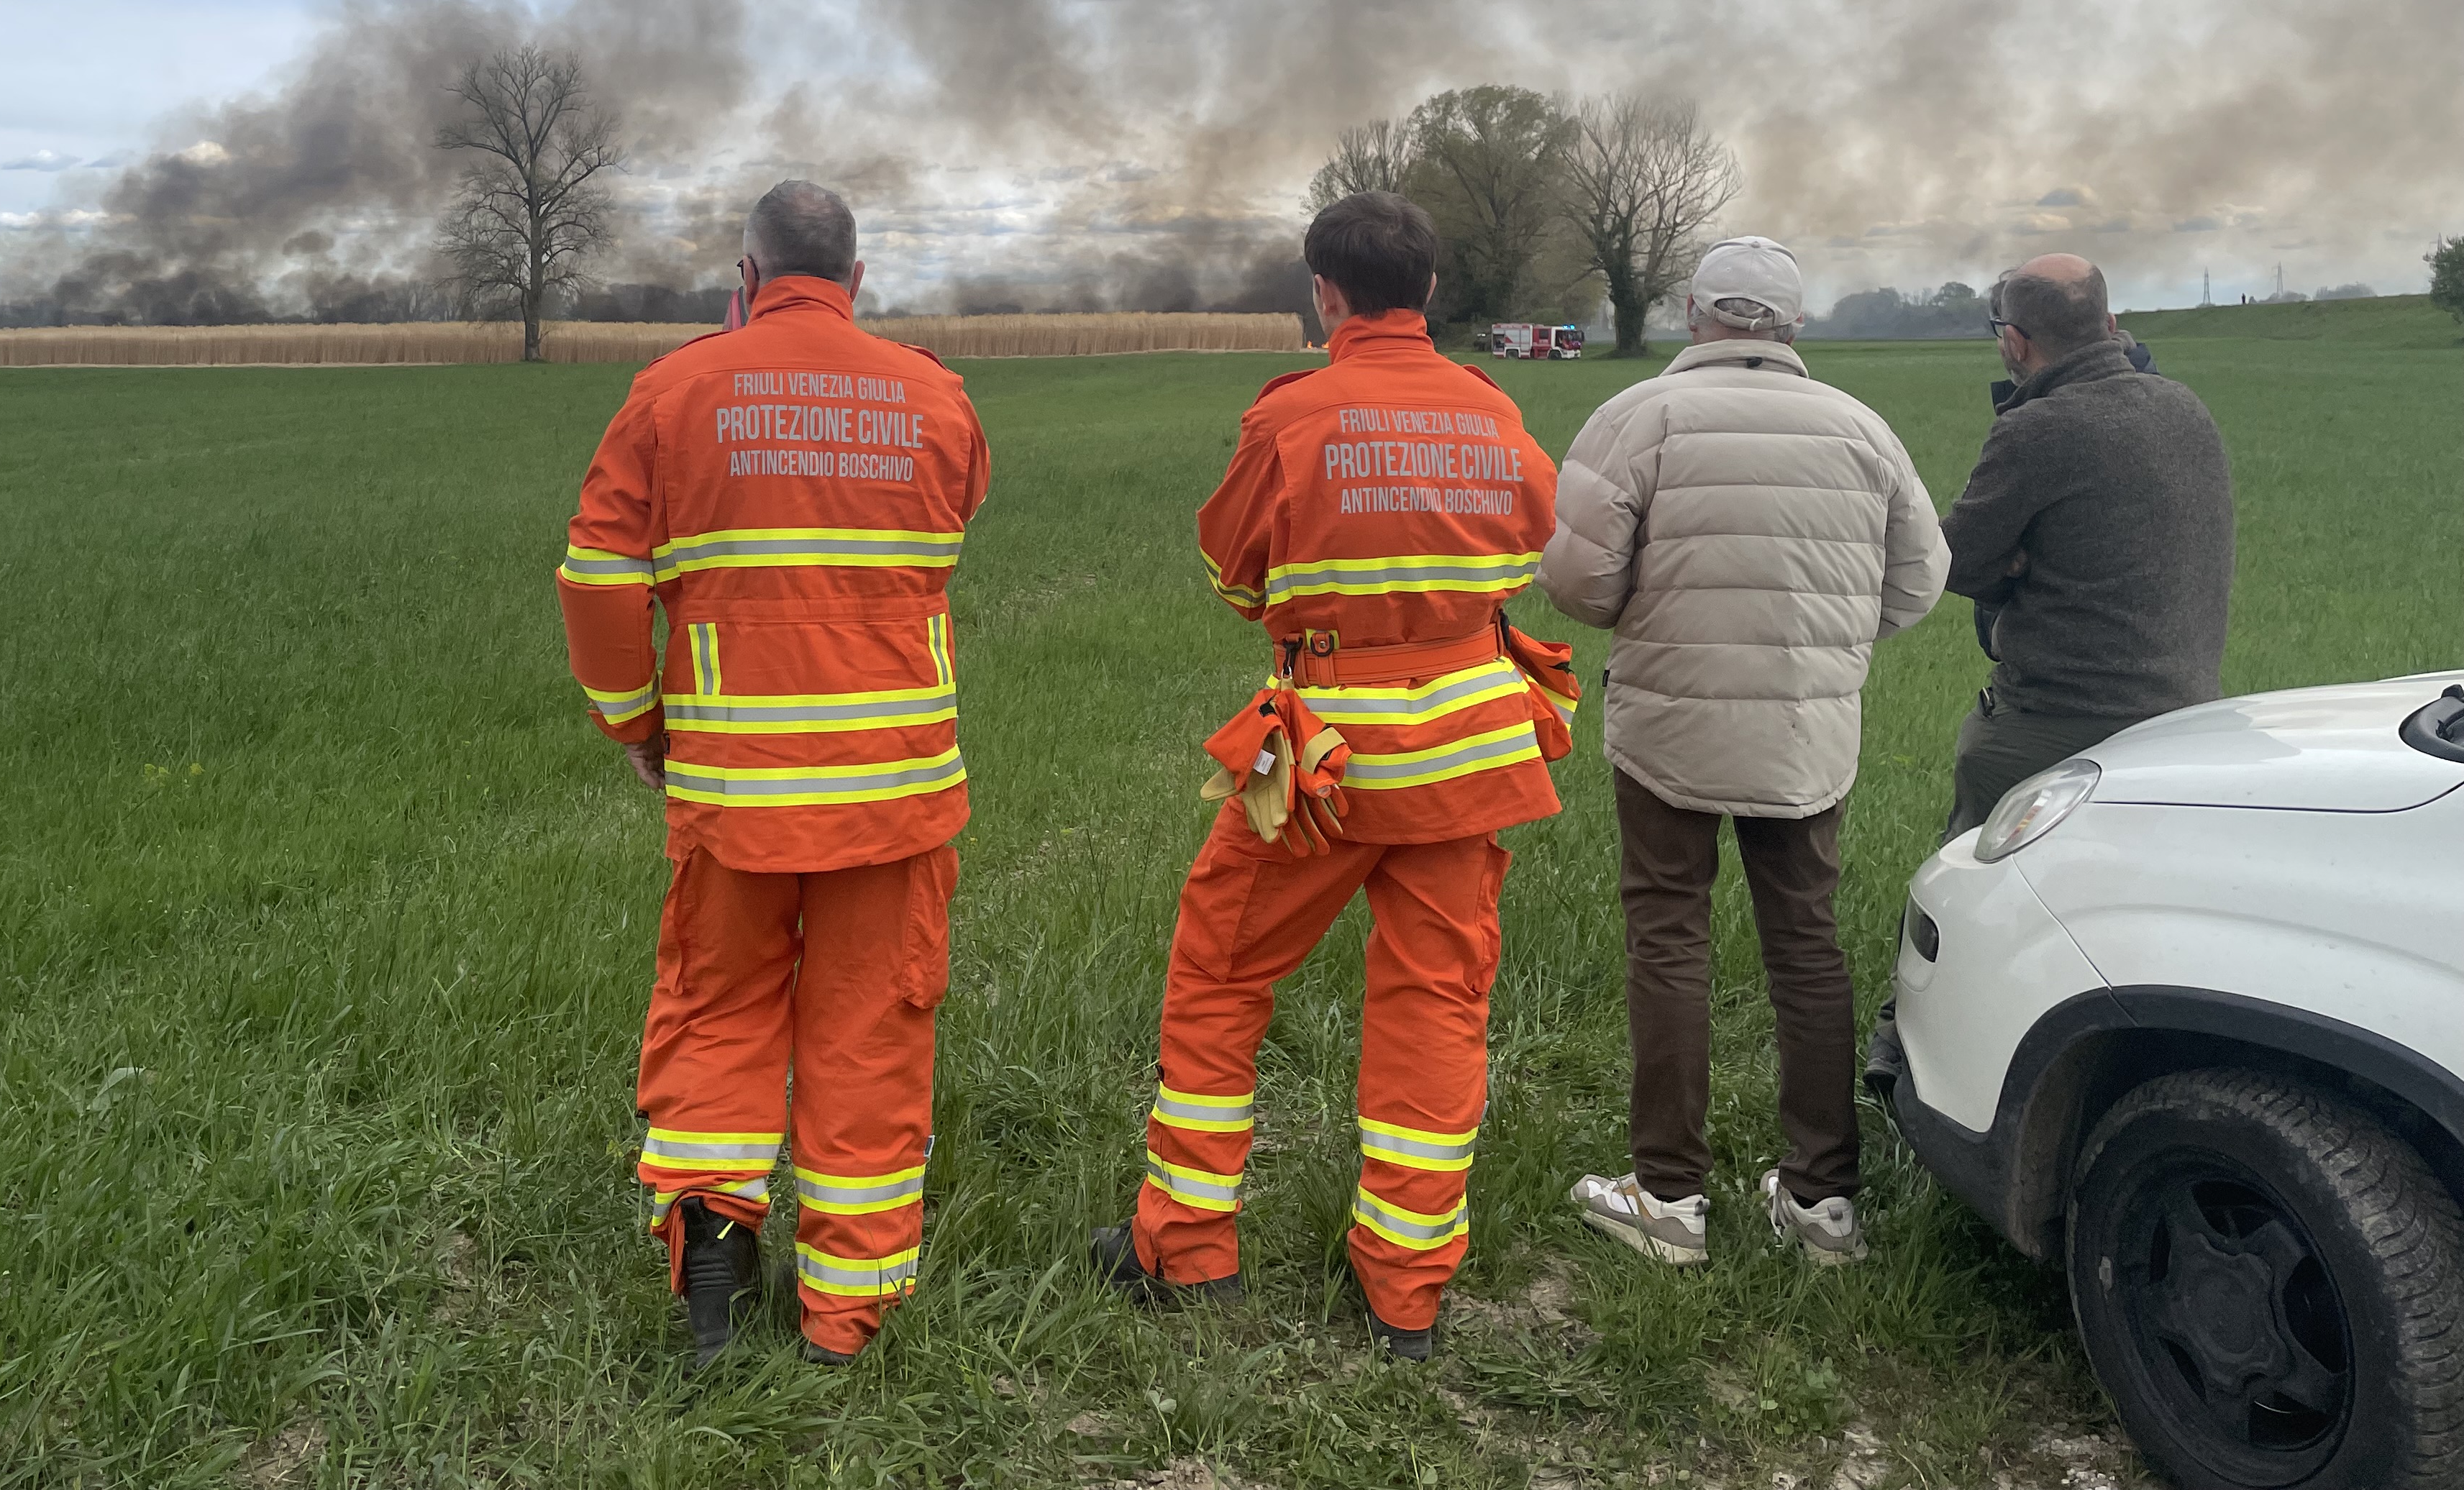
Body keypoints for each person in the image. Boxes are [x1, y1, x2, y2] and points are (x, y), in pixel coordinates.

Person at [1090, 191, 1569, 1361]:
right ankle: (1405, 1290)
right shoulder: (1493, 408)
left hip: (1319, 756)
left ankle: (1184, 1248)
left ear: (1325, 293)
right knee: (1438, 1001)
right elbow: (1531, 544)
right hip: (1470, 750)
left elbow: (1232, 573)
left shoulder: (1291, 414)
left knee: (1220, 969)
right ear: (1431, 289)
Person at [555, 180, 991, 1366]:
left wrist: (636, 723)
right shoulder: (936, 396)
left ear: (745, 277)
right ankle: (845, 1316)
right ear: (857, 279)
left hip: (732, 782)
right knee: (871, 1031)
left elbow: (597, 578)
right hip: (892, 789)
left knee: (719, 1006)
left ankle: (712, 1258)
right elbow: (949, 530)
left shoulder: (674, 390)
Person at [1538, 236, 1943, 1269]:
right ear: (1793, 324)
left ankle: (1669, 1196)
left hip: (1667, 726)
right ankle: (1821, 1202)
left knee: (1668, 936)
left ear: (1694, 312)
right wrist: (1823, 644)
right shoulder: (1862, 428)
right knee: (1806, 945)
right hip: (1808, 730)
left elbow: (1578, 583)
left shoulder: (1639, 417)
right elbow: (1917, 582)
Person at [1864, 253, 2232, 1097]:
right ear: (2110, 323)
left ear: (2016, 342)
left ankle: (1911, 1048)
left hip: (2057, 718)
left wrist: (2014, 563)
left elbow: (1952, 561)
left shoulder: (2038, 429)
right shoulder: (2185, 406)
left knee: (1965, 888)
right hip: (2185, 715)